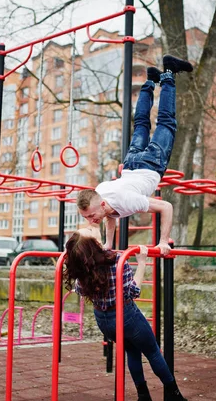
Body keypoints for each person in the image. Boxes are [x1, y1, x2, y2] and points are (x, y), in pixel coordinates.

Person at [76, 55, 193, 255]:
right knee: (140, 124)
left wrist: (163, 241)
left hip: (151, 164)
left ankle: (169, 74)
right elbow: (110, 217)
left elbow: (166, 207)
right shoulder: (100, 193)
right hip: (131, 164)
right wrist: (108, 245)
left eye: (92, 216)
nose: (91, 221)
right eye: (88, 217)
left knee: (166, 122)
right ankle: (150, 81)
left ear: (102, 204)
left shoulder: (126, 201)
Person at [64, 230, 188, 401]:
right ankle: (173, 393)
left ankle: (143, 397)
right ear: (94, 244)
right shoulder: (117, 261)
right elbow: (133, 291)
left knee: (132, 350)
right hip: (126, 316)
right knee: (153, 351)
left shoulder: (81, 268)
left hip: (104, 321)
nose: (91, 227)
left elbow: (81, 291)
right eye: (89, 231)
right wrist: (141, 262)